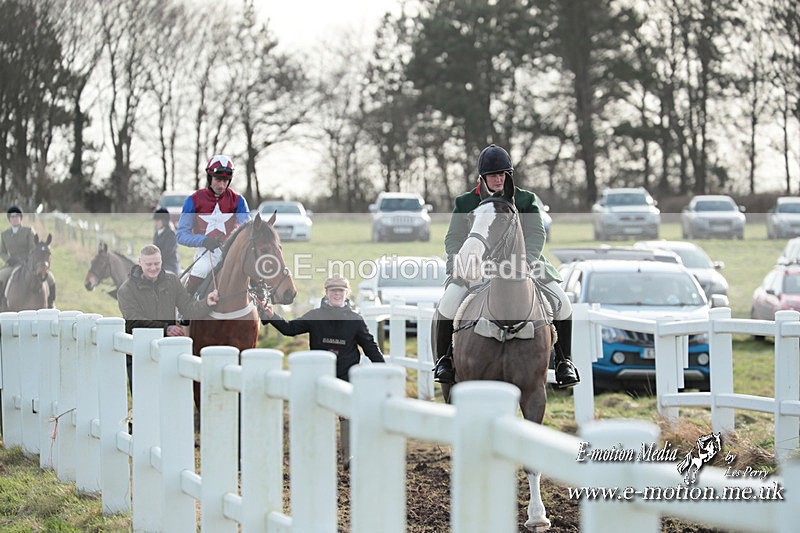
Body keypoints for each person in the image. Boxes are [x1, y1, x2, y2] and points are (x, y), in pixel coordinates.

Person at [433, 144, 580, 389]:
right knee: (448, 303)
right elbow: (453, 239)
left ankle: (565, 361)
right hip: (476, 269)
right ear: (482, 178)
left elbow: (536, 233)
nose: (499, 179)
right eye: (493, 175)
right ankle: (445, 360)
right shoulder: (465, 202)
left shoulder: (525, 199)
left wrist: (526, 262)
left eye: (503, 174)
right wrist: (460, 264)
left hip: (523, 266)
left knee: (562, 304)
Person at [259, 274, 385, 468]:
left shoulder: (355, 320)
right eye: (333, 290)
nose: (337, 294)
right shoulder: (315, 316)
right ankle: (313, 456)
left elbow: (370, 348)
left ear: (346, 294)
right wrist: (271, 315)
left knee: (347, 413)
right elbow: (290, 329)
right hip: (319, 377)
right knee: (315, 415)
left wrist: (384, 372)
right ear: (326, 293)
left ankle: (349, 458)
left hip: (345, 375)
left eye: (340, 291)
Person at [117, 244, 220, 390]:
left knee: (171, 396)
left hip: (168, 351)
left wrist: (206, 303)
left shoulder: (172, 280)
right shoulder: (126, 290)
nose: (153, 268)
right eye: (149, 264)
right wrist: (166, 328)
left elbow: (188, 307)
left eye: (157, 263)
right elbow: (133, 321)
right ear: (140, 262)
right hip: (139, 353)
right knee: (145, 401)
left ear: (161, 261)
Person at [176, 154, 251, 296]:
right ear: (209, 178)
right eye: (218, 180)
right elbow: (181, 235)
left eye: (226, 181)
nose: (222, 185)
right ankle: (185, 311)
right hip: (206, 254)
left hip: (232, 254)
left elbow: (246, 229)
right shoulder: (193, 200)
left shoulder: (239, 201)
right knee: (200, 270)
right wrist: (203, 240)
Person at [0, 206, 56, 308]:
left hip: (28, 262)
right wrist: (8, 259)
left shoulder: (28, 231)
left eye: (17, 216)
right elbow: (2, 252)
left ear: (21, 218)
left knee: (51, 279)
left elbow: (34, 248)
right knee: (1, 276)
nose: (15, 218)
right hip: (12, 264)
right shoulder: (4, 234)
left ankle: (51, 303)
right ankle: (2, 304)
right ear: (9, 219)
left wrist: (27, 259)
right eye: (12, 217)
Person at [153, 207, 180, 275]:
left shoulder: (171, 234)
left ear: (164, 221)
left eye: (158, 220)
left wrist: (154, 261)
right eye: (155, 220)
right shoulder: (157, 233)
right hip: (158, 263)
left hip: (169, 265)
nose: (155, 223)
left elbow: (167, 253)